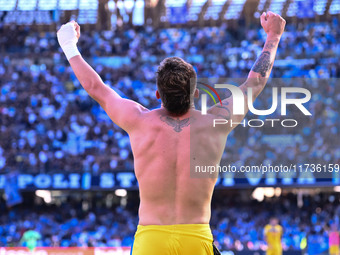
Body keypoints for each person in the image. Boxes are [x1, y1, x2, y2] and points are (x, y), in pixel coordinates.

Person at [57, 11, 285, 255]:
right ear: (196, 93)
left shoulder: (138, 120)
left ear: (158, 95)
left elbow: (96, 88)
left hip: (151, 240)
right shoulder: (216, 121)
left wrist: (69, 45)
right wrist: (274, 35)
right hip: (195, 239)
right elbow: (256, 82)